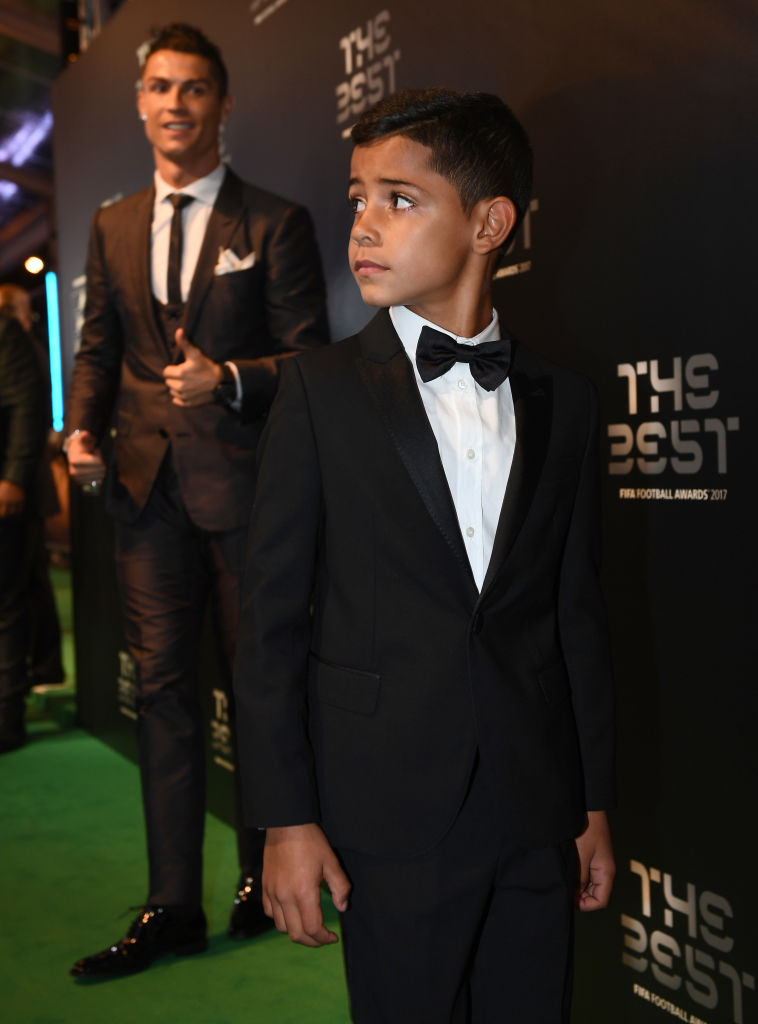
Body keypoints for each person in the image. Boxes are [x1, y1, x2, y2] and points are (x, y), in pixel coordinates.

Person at [233, 88, 615, 1022]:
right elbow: (270, 624)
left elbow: (575, 617)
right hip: (386, 809)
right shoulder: (318, 393)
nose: (364, 224)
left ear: (489, 224)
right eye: (357, 198)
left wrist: (592, 802)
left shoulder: (564, 401)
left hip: (535, 804)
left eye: (400, 199)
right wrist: (285, 819)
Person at [65, 23, 328, 979]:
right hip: (144, 495)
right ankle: (172, 904)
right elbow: (99, 348)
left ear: (223, 104)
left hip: (247, 491)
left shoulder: (277, 221)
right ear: (140, 103)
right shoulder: (112, 224)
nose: (175, 103)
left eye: (195, 88)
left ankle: (266, 876)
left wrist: (232, 379)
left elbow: (309, 361)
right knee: (163, 694)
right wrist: (80, 431)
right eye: (160, 87)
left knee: (262, 686)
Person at [0, 283, 65, 693]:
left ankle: (38, 671)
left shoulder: (17, 344)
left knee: (21, 586)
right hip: (24, 479)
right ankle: (42, 667)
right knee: (30, 580)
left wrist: (13, 477)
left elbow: (28, 408)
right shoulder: (25, 343)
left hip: (21, 484)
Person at [0, 312, 48, 751]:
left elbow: (26, 403)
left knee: (6, 604)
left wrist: (13, 476)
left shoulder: (3, 330)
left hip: (3, 491)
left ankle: (6, 718)